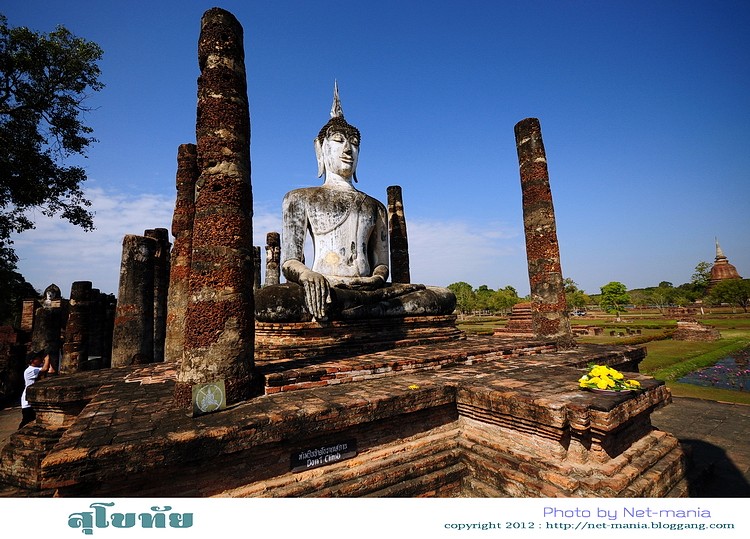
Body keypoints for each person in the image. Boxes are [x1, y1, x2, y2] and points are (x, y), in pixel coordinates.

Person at [255, 84, 455, 322]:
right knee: (270, 302)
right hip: (325, 284)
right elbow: (289, 262)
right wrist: (308, 276)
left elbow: (381, 264)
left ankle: (354, 307)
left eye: (354, 142)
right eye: (339, 140)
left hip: (372, 289)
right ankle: (355, 308)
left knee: (443, 296)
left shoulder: (375, 206)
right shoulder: (299, 198)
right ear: (320, 149)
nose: (348, 149)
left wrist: (376, 279)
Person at [19, 350, 54, 429]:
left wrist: (48, 361)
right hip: (27, 400)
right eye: (38, 358)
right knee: (27, 420)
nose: (40, 359)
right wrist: (47, 358)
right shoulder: (30, 370)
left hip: (34, 398)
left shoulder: (37, 368)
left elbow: (51, 371)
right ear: (32, 361)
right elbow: (45, 369)